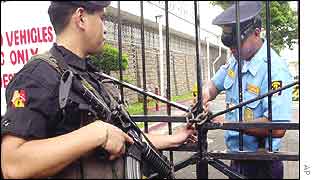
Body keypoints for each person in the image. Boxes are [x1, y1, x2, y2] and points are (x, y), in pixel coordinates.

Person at [1, 1, 196, 179]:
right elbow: (13, 164)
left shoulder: (89, 75)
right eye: (102, 18)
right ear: (81, 18)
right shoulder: (38, 75)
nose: (106, 29)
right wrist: (95, 134)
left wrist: (175, 138)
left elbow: (127, 138)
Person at [202, 1, 293, 179]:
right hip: (236, 159)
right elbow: (214, 84)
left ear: (257, 33)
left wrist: (225, 122)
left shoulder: (275, 69)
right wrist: (205, 96)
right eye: (230, 46)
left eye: (236, 45)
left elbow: (278, 127)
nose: (232, 50)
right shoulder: (236, 59)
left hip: (262, 164)